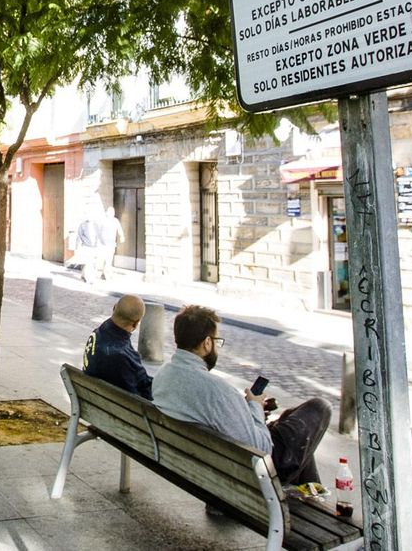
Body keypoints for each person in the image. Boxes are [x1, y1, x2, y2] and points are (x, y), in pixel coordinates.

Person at [152, 304, 331, 487]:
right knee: (319, 407)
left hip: (200, 462)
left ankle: (312, 495)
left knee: (289, 418)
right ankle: (306, 495)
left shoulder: (162, 375)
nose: (217, 348)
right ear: (207, 343)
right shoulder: (218, 391)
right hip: (250, 471)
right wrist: (255, 407)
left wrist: (246, 408)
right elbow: (261, 449)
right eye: (217, 342)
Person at [82, 295, 154, 399]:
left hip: (98, 399)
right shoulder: (119, 357)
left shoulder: (98, 333)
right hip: (122, 405)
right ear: (135, 324)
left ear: (114, 308)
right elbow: (135, 399)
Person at [70, 206, 124, 283]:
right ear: (106, 213)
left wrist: (122, 236)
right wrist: (96, 242)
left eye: (113, 212)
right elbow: (96, 232)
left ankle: (104, 274)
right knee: (94, 261)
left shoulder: (115, 221)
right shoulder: (102, 221)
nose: (112, 213)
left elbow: (119, 229)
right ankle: (88, 275)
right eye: (110, 212)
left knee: (108, 260)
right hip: (100, 244)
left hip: (110, 244)